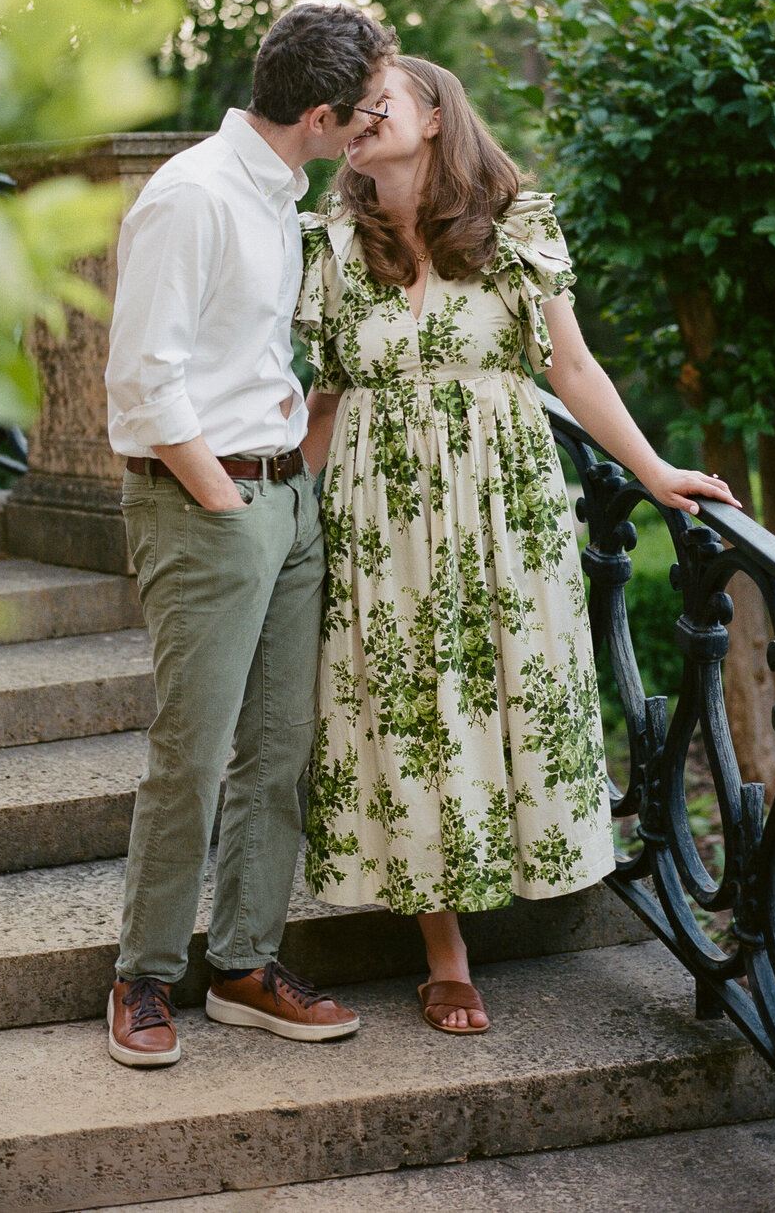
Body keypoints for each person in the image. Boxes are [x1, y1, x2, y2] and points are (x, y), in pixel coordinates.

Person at [297, 55, 740, 1034]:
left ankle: (520, 865)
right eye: (354, 107)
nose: (362, 117)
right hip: (380, 516)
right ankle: (443, 949)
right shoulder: (332, 242)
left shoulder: (515, 227)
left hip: (501, 505)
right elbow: (325, 396)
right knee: (401, 709)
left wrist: (655, 472)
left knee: (501, 688)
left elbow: (572, 369)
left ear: (436, 116)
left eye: (382, 100)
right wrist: (280, 512)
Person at [103, 2, 397, 1066]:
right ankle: (143, 974)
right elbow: (142, 378)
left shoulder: (285, 197)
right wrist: (224, 501)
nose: (369, 129)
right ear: (319, 115)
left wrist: (289, 487)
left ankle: (242, 962)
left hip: (287, 501)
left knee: (280, 747)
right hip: (204, 504)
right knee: (192, 752)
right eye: (363, 113)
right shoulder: (192, 196)